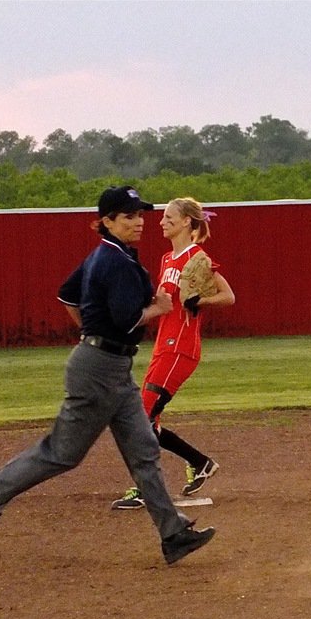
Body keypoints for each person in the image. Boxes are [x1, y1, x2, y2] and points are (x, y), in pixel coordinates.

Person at [0, 185, 217, 566]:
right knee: (62, 454)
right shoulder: (114, 262)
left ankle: (173, 534)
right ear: (107, 221)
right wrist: (157, 308)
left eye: (140, 214)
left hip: (114, 368)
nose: (139, 222)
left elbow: (68, 295)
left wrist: (91, 330)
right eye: (129, 216)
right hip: (97, 371)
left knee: (144, 450)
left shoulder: (110, 255)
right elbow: (127, 319)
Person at [110, 197, 235, 511]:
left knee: (140, 418)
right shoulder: (167, 259)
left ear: (186, 222)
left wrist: (201, 301)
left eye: (168, 217)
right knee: (148, 420)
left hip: (180, 348)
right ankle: (200, 462)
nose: (162, 222)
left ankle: (145, 488)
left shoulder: (197, 258)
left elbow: (228, 296)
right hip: (163, 347)